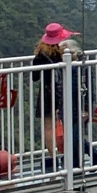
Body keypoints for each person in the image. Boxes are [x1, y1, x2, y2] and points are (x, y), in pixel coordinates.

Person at [33, 22, 77, 169]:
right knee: (68, 123)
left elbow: (34, 77)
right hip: (64, 91)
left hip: (46, 92)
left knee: (48, 126)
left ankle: (53, 158)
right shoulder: (66, 52)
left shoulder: (41, 54)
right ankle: (70, 155)